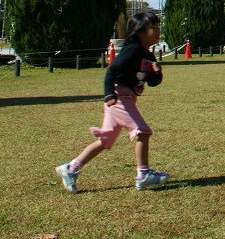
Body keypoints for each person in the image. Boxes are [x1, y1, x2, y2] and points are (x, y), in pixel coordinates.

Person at [55, 10, 169, 193]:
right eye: (153, 28)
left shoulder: (148, 55)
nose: (157, 31)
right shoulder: (131, 51)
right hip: (119, 97)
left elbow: (153, 82)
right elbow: (111, 71)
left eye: (158, 27)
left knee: (106, 139)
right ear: (140, 32)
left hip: (128, 97)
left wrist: (157, 72)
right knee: (143, 132)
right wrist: (109, 95)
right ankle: (144, 175)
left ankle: (70, 169)